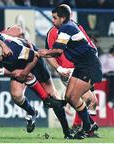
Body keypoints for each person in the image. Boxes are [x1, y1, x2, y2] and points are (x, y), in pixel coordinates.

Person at [0, 19, 74, 139]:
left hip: (33, 61)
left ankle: (67, 132)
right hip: (16, 65)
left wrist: (25, 71)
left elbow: (31, 50)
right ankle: (32, 112)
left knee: (52, 95)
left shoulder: (6, 42)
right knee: (16, 95)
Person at [38, 4, 102, 139]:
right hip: (81, 66)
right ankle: (89, 125)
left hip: (89, 66)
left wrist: (39, 53)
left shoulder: (67, 28)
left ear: (63, 18)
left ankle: (87, 127)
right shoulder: (68, 27)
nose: (53, 21)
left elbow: (57, 51)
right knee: (69, 97)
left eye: (55, 18)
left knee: (79, 98)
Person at [45, 25, 98, 133]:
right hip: (68, 70)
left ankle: (84, 126)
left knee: (91, 101)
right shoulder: (52, 33)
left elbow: (90, 46)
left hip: (83, 67)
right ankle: (83, 126)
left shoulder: (77, 27)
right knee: (87, 98)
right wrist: (59, 69)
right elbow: (49, 54)